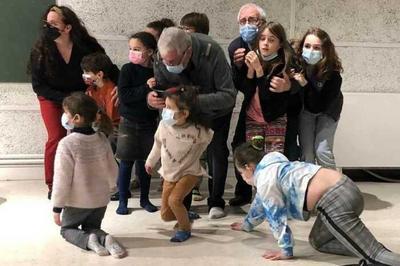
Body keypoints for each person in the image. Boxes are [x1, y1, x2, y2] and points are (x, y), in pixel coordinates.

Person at [230, 136, 400, 265]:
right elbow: (260, 202)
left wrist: (286, 250)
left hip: (335, 200)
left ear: (249, 167)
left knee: (374, 255)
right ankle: (366, 247)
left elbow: (276, 216)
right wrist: (247, 225)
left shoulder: (265, 179)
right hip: (345, 187)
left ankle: (373, 251)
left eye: (241, 173)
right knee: (318, 241)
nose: (243, 178)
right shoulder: (273, 162)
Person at [28, 5, 118, 199]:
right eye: (46, 23)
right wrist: (66, 102)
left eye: (53, 24)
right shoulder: (40, 50)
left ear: (67, 28)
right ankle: (53, 184)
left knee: (91, 134)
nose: (47, 27)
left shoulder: (87, 46)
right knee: (56, 137)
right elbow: (38, 86)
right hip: (51, 98)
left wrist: (118, 84)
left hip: (82, 96)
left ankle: (93, 180)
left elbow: (107, 67)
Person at [147, 27, 237, 219]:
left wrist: (191, 102)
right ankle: (183, 207)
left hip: (214, 112)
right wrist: (153, 99)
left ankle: (216, 202)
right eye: (164, 60)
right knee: (180, 153)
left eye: (172, 62)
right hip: (181, 115)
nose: (166, 64)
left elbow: (229, 96)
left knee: (217, 152)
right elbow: (163, 89)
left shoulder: (211, 51)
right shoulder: (161, 57)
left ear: (187, 52)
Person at [52, 92, 126, 258]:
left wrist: (57, 206)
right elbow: (113, 168)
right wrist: (111, 189)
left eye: (67, 114)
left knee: (67, 230)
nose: (64, 117)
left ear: (76, 118)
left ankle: (89, 240)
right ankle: (105, 238)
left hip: (78, 202)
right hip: (100, 201)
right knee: (92, 226)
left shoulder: (67, 144)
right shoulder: (101, 138)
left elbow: (62, 179)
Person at [145, 86, 213, 242]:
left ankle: (184, 228)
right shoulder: (163, 126)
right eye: (165, 107)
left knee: (174, 201)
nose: (165, 111)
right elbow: (157, 145)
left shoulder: (198, 130)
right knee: (165, 215)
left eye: (170, 108)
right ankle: (184, 214)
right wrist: (150, 162)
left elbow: (207, 141)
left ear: (184, 113)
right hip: (169, 172)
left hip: (190, 172)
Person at [115, 31, 159, 215]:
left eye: (137, 49)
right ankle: (123, 200)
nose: (133, 52)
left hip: (148, 123)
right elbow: (125, 96)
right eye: (131, 48)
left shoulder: (157, 70)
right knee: (126, 163)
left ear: (149, 51)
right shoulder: (127, 69)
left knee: (145, 164)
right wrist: (145, 87)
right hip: (128, 123)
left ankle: (145, 199)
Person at [292, 28, 343, 169]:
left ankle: (332, 187)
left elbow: (319, 106)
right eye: (307, 46)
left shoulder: (333, 75)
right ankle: (308, 186)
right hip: (306, 110)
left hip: (328, 110)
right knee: (307, 153)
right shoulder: (298, 64)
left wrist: (304, 84)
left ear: (325, 50)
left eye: (316, 48)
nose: (311, 51)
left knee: (322, 151)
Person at [179, 11, 210, 201]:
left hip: (201, 109)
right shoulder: (181, 52)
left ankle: (196, 186)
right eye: (181, 29)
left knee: (201, 150)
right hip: (183, 109)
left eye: (187, 30)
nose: (183, 33)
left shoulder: (208, 53)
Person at [80, 52, 120, 151]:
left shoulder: (112, 91)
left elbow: (111, 119)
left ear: (99, 74)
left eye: (87, 72)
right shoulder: (91, 90)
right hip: (100, 125)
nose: (84, 75)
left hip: (113, 128)